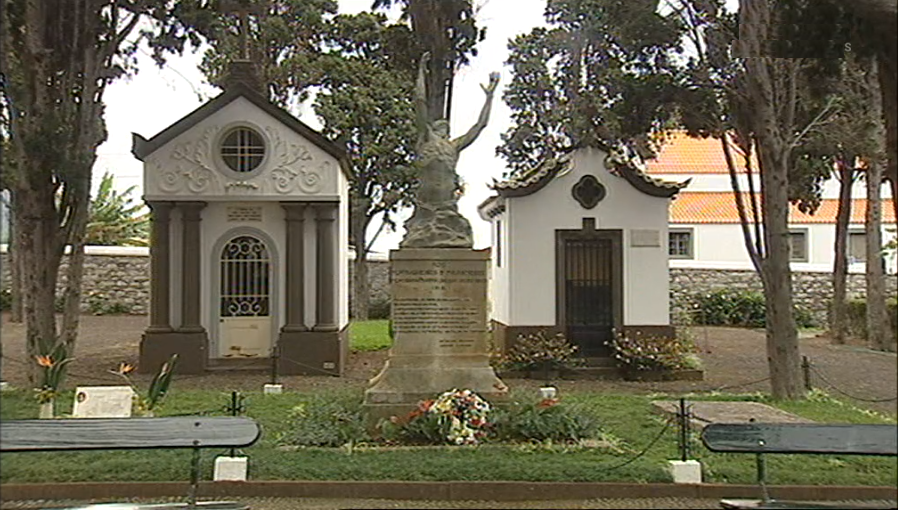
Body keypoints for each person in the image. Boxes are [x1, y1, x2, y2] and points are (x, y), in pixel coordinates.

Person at [400, 52, 500, 249]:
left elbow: (480, 126)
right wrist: (421, 72)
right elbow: (419, 102)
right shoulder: (426, 138)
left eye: (446, 126)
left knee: (457, 236)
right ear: (434, 127)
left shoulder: (453, 146)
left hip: (447, 203)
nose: (445, 127)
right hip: (425, 203)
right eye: (440, 125)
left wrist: (489, 97)